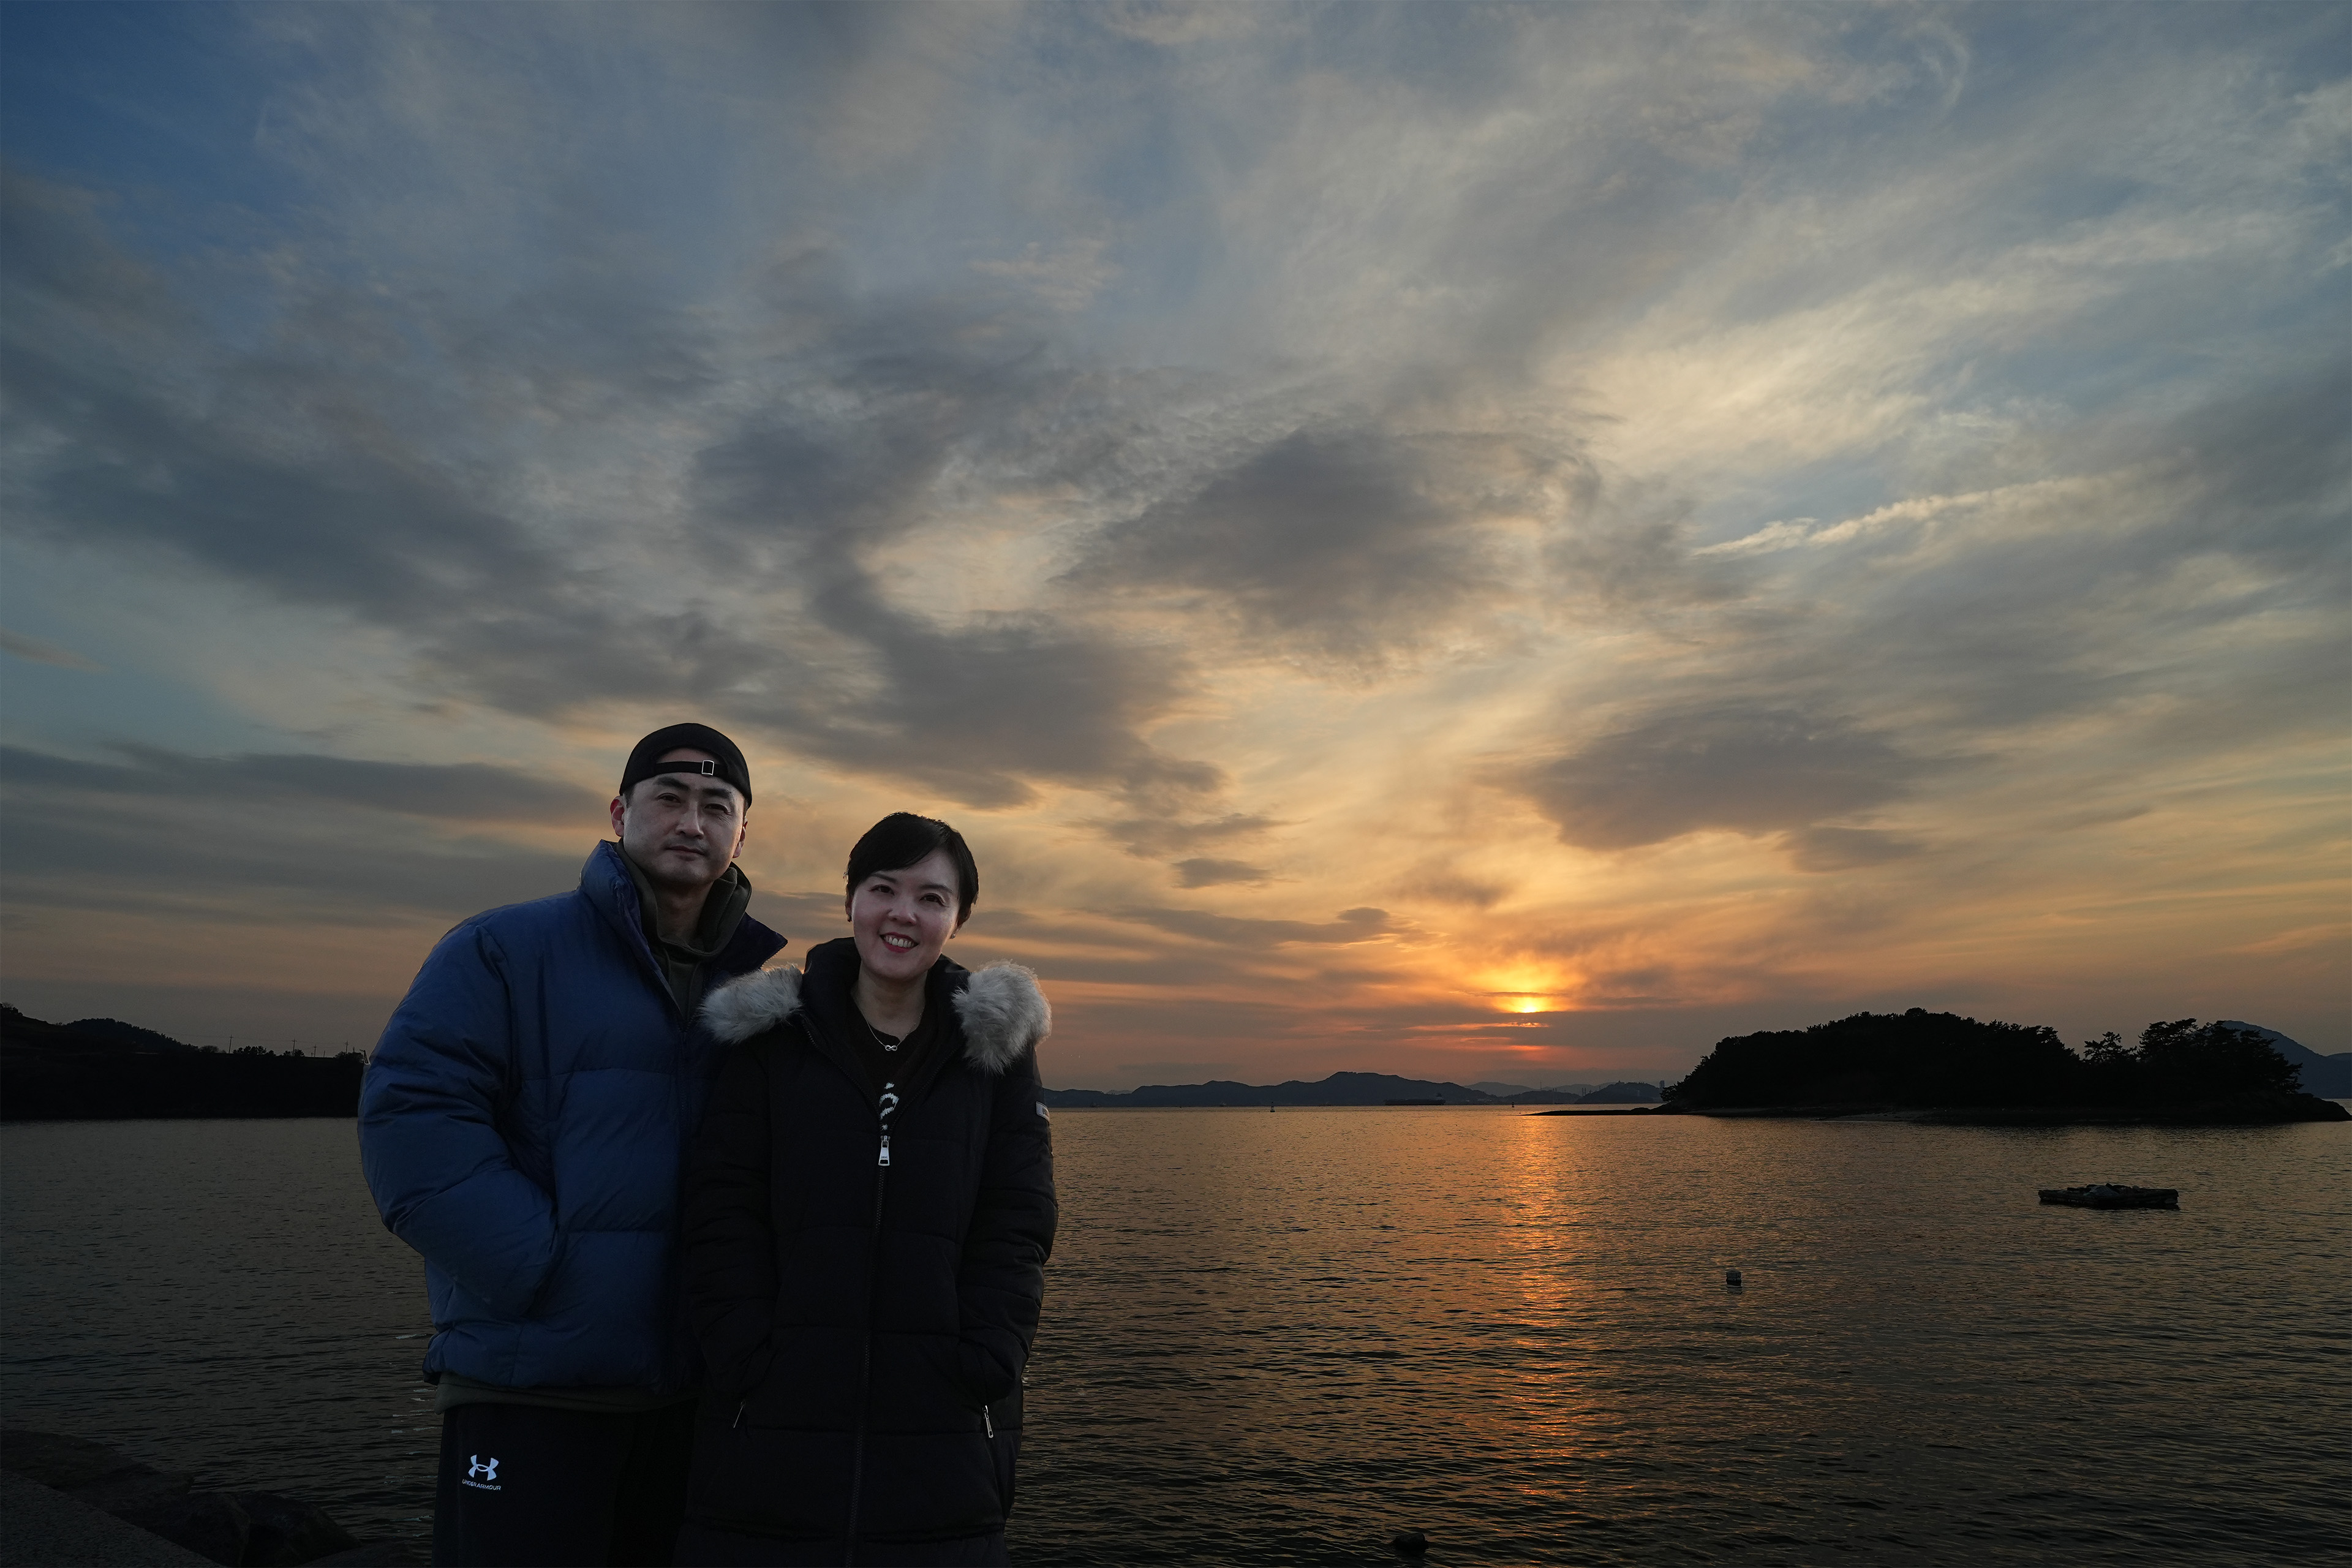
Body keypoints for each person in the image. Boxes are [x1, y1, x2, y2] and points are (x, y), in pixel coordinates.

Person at [360, 724, 788, 1567]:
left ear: (741, 834)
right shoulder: (505, 948)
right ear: (620, 813)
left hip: (690, 1397)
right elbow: (413, 1122)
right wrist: (547, 1271)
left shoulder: (755, 995)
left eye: (717, 806)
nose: (691, 822)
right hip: (532, 1387)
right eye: (670, 798)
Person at [676, 813, 1057, 1567]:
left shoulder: (995, 1054)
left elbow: (1018, 1219)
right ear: (850, 899)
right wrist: (747, 1354)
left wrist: (986, 1356)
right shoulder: (774, 1039)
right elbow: (721, 1206)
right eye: (883, 888)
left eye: (931, 897)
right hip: (770, 1429)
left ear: (957, 918)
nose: (903, 914)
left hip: (945, 1436)